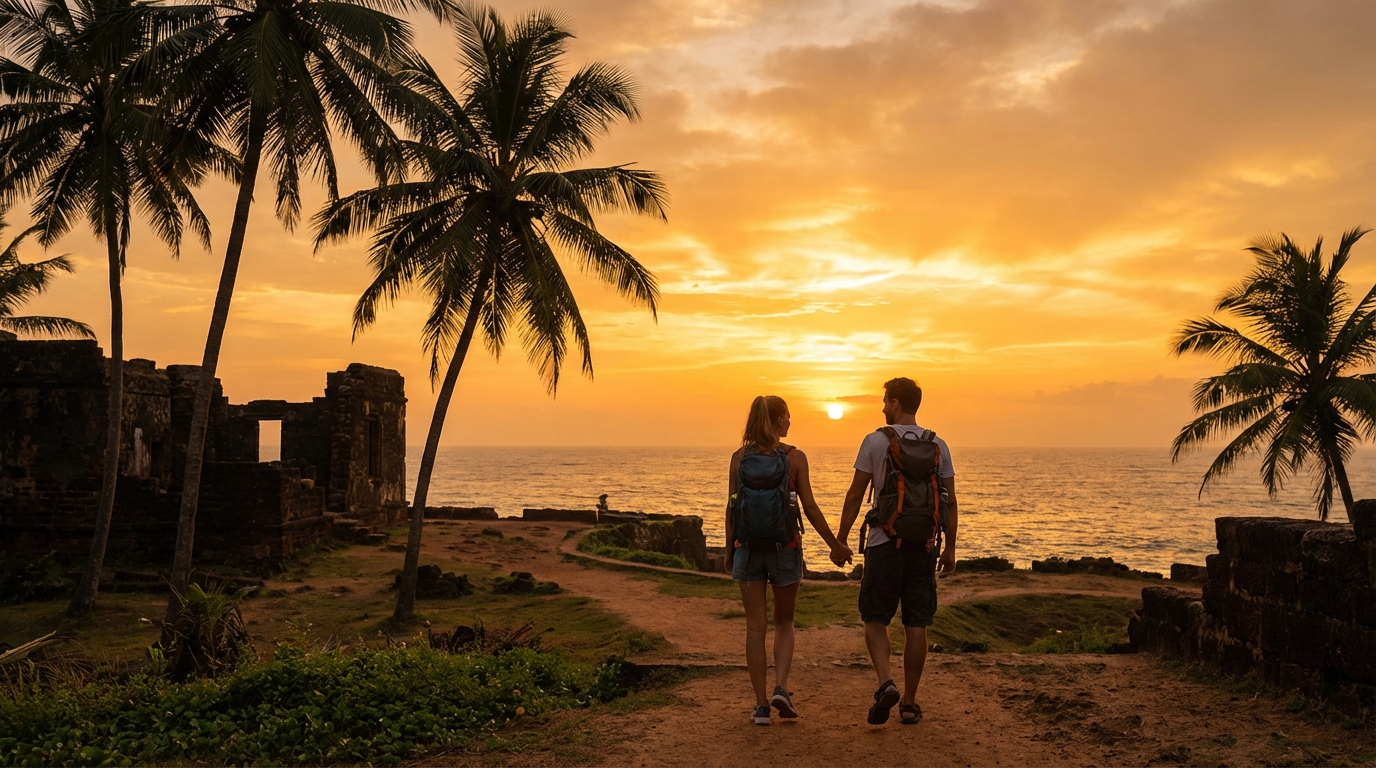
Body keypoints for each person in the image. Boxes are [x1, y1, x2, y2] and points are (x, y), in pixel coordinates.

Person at [835, 377, 958, 727]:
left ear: (897, 404)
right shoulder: (940, 445)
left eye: (886, 401)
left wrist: (841, 539)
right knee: (916, 623)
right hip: (925, 545)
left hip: (883, 543)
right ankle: (909, 702)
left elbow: (856, 494)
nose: (882, 407)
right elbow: (949, 501)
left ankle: (885, 682)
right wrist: (950, 548)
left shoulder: (875, 441)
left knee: (875, 618)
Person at [726, 395, 852, 726]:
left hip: (748, 550)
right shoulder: (794, 458)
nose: (790, 422)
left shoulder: (739, 458)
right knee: (784, 622)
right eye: (788, 417)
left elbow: (731, 507)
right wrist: (835, 545)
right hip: (786, 549)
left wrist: (729, 553)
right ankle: (781, 686)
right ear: (779, 420)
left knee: (755, 626)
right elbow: (808, 508)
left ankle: (761, 706)